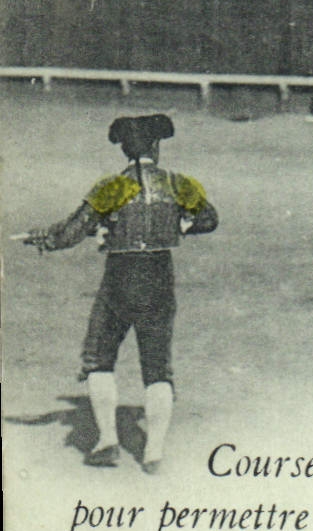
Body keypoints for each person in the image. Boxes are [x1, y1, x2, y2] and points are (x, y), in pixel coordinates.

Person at [20, 114, 218, 471]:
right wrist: (178, 227)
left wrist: (42, 238)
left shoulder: (113, 187)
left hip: (121, 277)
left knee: (100, 356)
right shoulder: (177, 184)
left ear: (125, 150)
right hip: (159, 275)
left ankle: (108, 440)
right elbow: (208, 219)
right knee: (157, 365)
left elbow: (70, 232)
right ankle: (154, 452)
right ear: (156, 147)